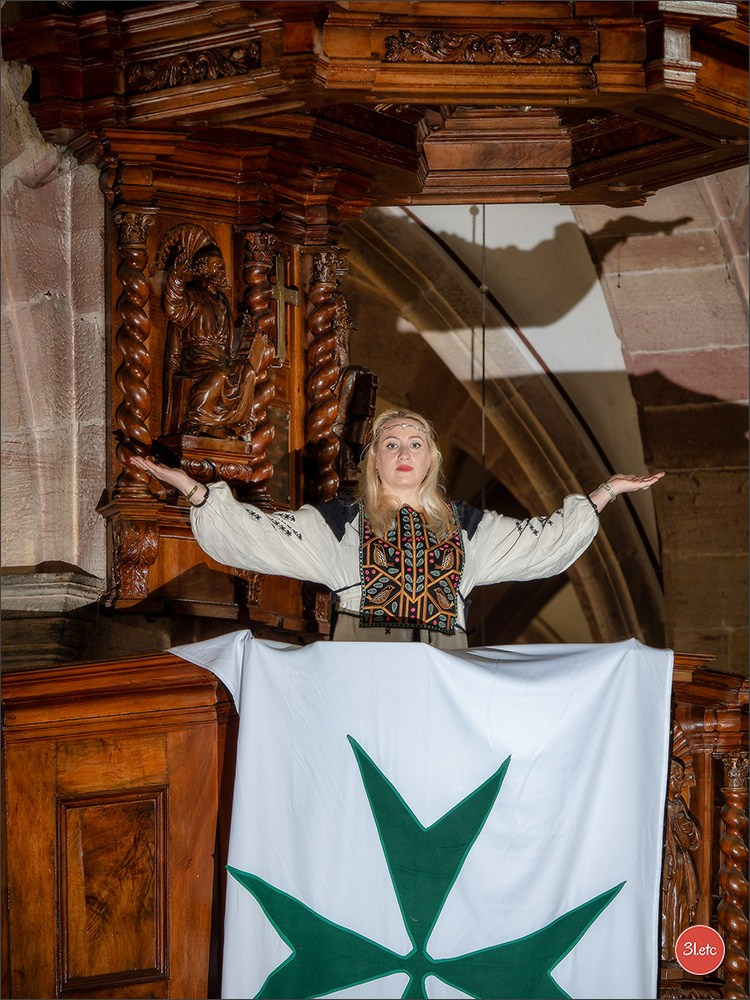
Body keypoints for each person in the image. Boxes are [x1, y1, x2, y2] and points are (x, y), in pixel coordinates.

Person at [131, 408, 664, 648]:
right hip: (363, 675)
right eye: (391, 444)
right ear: (375, 462)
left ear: (431, 458)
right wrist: (197, 491)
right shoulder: (340, 523)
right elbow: (259, 537)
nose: (403, 452)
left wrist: (605, 493)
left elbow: (542, 546)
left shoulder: (468, 527)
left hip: (442, 671)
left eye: (414, 444)